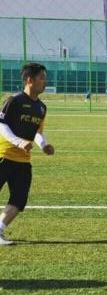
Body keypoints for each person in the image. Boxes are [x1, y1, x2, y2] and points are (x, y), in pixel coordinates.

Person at [0, 63, 56, 245]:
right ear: (30, 80)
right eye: (42, 78)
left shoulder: (41, 108)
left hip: (23, 161)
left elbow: (38, 132)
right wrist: (18, 142)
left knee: (19, 199)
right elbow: (1, 125)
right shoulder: (14, 101)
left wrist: (44, 145)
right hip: (3, 155)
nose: (45, 81)